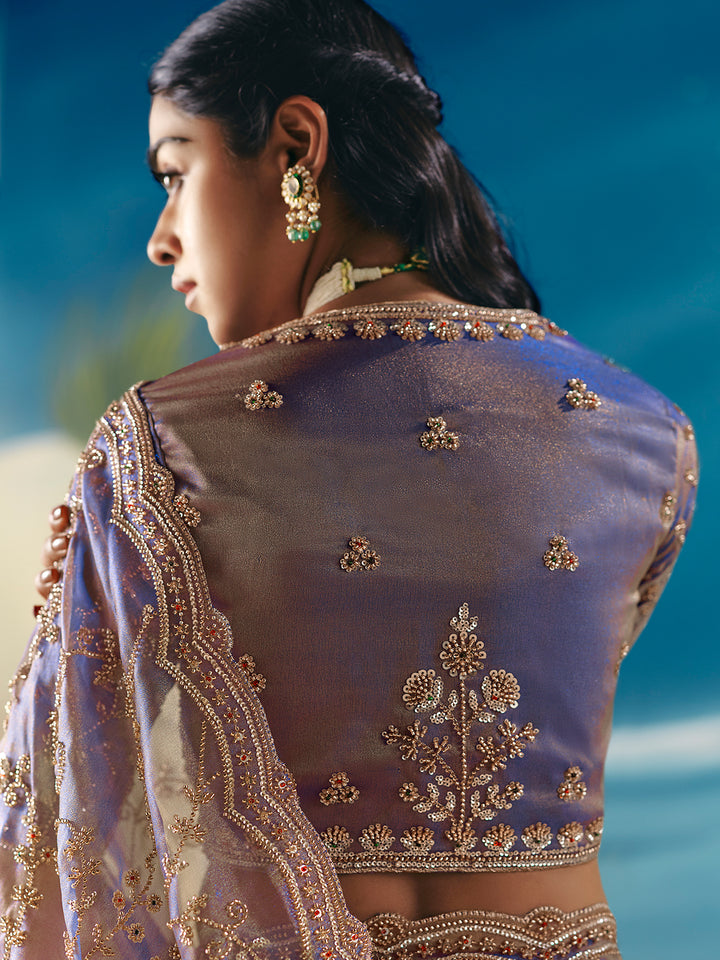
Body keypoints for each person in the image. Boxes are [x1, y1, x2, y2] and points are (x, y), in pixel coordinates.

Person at [1, 1, 697, 958]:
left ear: (296, 145)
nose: (162, 239)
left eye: (176, 172)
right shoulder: (649, 434)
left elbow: (62, 830)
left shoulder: (163, 441)